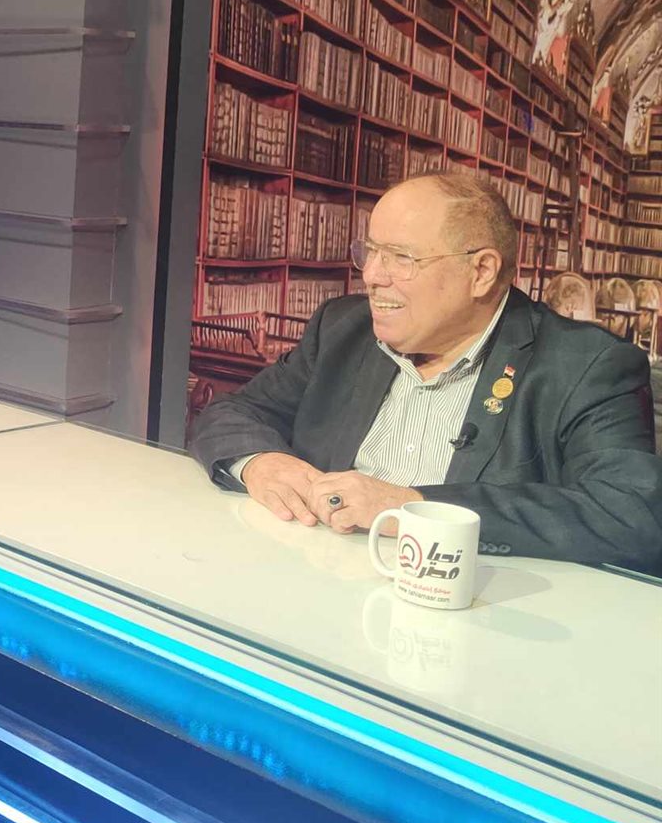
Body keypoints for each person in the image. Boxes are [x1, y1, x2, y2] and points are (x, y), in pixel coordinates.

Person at [188, 171, 662, 572]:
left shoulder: (585, 366)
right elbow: (231, 413)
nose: (372, 275)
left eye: (402, 257)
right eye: (371, 251)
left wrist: (412, 508)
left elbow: (631, 515)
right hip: (314, 586)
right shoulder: (343, 330)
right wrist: (261, 463)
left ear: (481, 272)